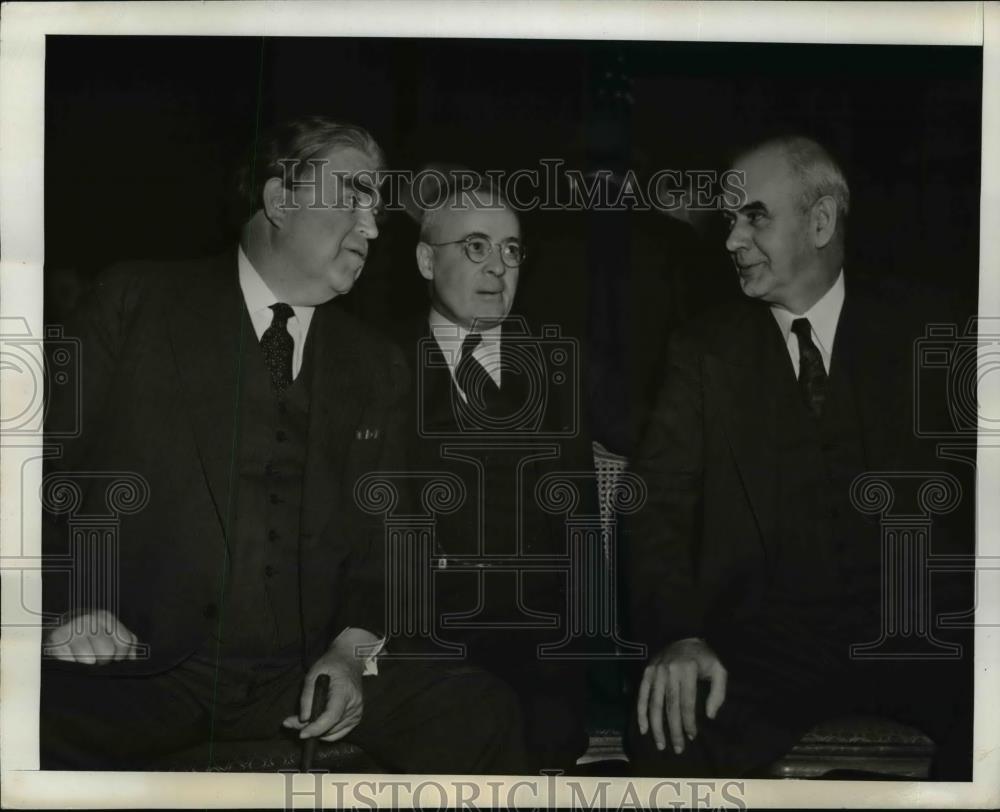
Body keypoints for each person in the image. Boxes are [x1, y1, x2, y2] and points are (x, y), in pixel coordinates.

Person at [40, 117, 525, 774]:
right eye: (353, 197)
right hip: (140, 665)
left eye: (376, 208)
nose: (373, 227)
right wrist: (62, 609)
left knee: (479, 713)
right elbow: (30, 469)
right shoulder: (137, 302)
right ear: (279, 200)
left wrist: (352, 653)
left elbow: (394, 542)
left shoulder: (374, 364)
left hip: (300, 675)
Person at [627, 135, 972, 779]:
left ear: (819, 222)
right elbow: (657, 511)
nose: (731, 239)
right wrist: (679, 634)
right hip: (765, 649)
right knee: (671, 732)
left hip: (923, 640)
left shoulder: (933, 332)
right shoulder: (704, 352)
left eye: (752, 215)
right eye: (729, 220)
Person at [390, 174, 595, 772]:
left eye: (511, 249)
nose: (498, 267)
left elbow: (579, 530)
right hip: (418, 646)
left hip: (541, 654)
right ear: (428, 259)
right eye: (475, 247)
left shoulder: (558, 367)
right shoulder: (379, 366)